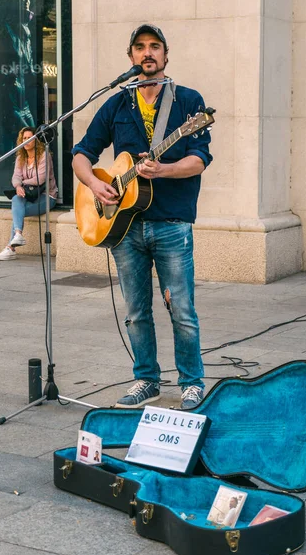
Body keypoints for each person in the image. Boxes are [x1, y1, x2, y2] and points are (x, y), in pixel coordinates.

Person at [71, 23, 213, 410]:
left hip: (171, 223)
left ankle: (192, 382)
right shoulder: (117, 103)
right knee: (136, 311)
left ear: (166, 56)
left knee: (181, 309)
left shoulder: (188, 101)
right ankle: (146, 379)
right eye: (140, 47)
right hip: (124, 227)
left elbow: (199, 160)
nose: (147, 53)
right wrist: (96, 186)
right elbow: (81, 153)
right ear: (131, 57)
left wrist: (164, 170)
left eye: (155, 47)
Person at [0, 127, 58, 260]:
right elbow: (15, 177)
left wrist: (22, 183)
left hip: (47, 197)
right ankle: (18, 235)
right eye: (24, 138)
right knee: (16, 199)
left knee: (17, 212)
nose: (26, 141)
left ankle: (10, 248)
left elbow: (40, 178)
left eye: (30, 138)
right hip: (29, 195)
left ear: (36, 140)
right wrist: (18, 186)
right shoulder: (20, 158)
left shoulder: (44, 156)